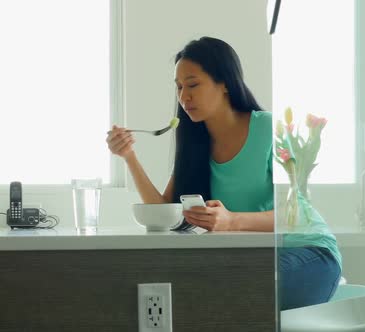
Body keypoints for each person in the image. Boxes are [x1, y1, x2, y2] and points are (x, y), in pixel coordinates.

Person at [106, 36, 341, 310]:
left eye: (193, 84)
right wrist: (129, 157)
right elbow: (163, 213)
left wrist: (231, 221)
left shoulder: (267, 129)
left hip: (310, 253)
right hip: (251, 259)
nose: (184, 96)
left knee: (225, 287)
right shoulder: (195, 147)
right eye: (179, 87)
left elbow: (295, 213)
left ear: (225, 83)